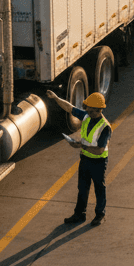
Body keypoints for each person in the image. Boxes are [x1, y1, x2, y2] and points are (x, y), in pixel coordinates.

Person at [46, 91, 112, 227]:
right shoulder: (87, 116)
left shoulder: (105, 127)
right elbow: (70, 108)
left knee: (99, 188)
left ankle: (100, 214)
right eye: (87, 108)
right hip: (85, 160)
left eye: (91, 110)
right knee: (82, 188)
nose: (87, 111)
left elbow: (99, 149)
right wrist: (56, 97)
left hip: (98, 162)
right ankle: (79, 214)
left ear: (99, 110)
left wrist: (81, 146)